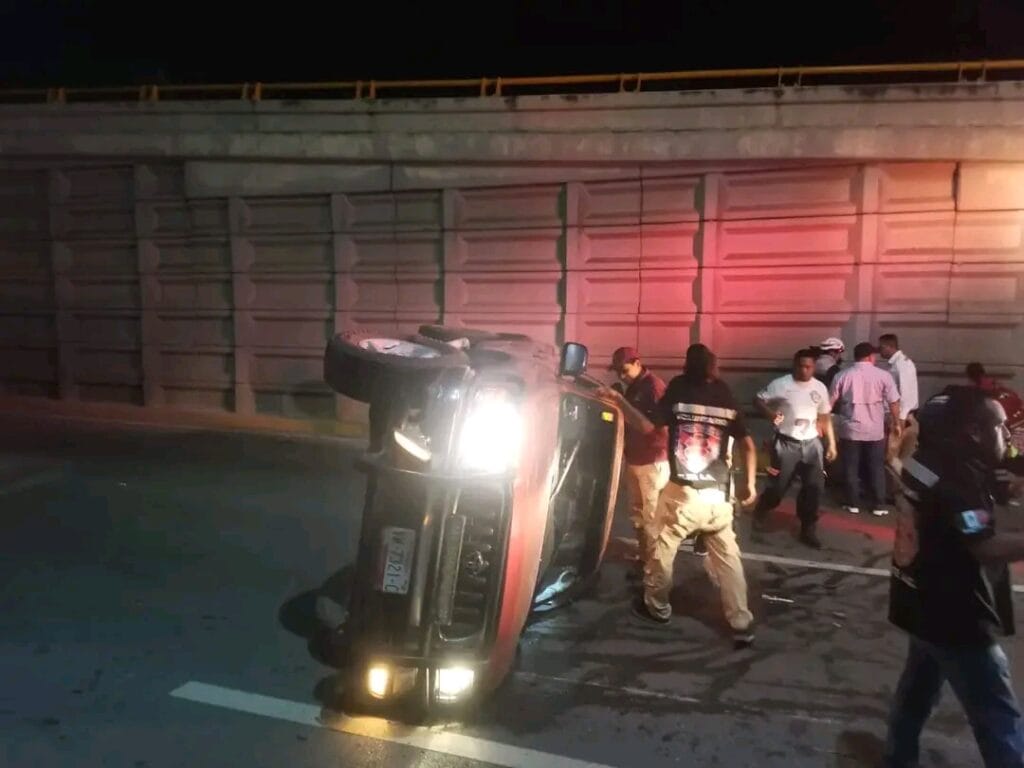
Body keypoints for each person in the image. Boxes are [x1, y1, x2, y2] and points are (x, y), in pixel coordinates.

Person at [885, 385, 1024, 767]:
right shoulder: (958, 479)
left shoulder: (925, 462)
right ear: (974, 431)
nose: (1006, 434)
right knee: (998, 714)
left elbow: (919, 485)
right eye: (999, 426)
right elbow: (984, 546)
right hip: (957, 614)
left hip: (919, 598)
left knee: (916, 694)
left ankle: (897, 757)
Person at [602, 343, 757, 648]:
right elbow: (748, 444)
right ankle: (741, 621)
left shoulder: (678, 388)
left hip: (683, 493)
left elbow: (648, 426)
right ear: (712, 365)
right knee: (728, 559)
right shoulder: (724, 393)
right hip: (718, 494)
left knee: (661, 547)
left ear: (687, 365)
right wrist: (749, 485)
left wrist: (618, 401)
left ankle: (657, 607)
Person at [751, 349, 837, 548]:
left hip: (812, 444)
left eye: (808, 367)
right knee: (778, 486)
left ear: (814, 367)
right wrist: (771, 414)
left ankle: (808, 528)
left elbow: (825, 416)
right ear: (794, 365)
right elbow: (758, 400)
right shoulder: (781, 385)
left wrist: (831, 443)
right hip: (786, 443)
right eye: (800, 366)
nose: (804, 370)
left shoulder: (820, 388)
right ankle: (762, 508)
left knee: (813, 488)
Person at [608, 346, 670, 579]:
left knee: (651, 517)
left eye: (624, 370)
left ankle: (656, 569)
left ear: (637, 363)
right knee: (637, 514)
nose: (621, 376)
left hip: (652, 461)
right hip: (635, 458)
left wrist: (619, 400)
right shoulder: (634, 386)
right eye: (617, 372)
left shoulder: (653, 387)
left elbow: (647, 426)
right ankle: (645, 559)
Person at [829, 342, 902, 516]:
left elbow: (829, 402)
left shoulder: (842, 375)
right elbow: (894, 402)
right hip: (875, 430)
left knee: (851, 467)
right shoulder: (883, 376)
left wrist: (823, 422)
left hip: (850, 429)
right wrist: (897, 423)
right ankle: (879, 505)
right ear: (870, 357)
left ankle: (853, 503)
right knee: (876, 467)